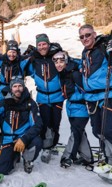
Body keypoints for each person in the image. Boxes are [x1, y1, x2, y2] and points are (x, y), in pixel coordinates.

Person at [78, 24, 112, 179]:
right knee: (98, 131)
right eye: (81, 36)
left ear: (94, 34)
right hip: (91, 98)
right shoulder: (85, 53)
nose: (85, 39)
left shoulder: (105, 49)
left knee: (109, 129)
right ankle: (110, 160)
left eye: (88, 35)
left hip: (109, 95)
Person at [0, 76, 43, 175]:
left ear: (23, 87)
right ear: (11, 88)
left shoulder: (30, 104)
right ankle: (15, 155)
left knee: (37, 141)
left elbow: (37, 125)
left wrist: (24, 139)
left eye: (20, 86)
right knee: (3, 170)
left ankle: (27, 159)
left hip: (23, 138)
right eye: (15, 86)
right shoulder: (4, 103)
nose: (17, 89)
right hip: (8, 139)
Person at [27, 33, 64, 163]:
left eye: (44, 44)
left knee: (56, 122)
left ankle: (53, 143)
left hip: (57, 96)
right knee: (45, 122)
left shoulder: (56, 57)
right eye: (39, 45)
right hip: (42, 97)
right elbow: (26, 70)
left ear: (48, 44)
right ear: (37, 46)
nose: (42, 47)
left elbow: (70, 66)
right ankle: (46, 146)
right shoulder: (34, 59)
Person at [53, 51, 93, 168]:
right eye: (56, 63)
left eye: (61, 62)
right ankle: (87, 157)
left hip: (81, 107)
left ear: (66, 61)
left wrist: (79, 100)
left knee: (76, 132)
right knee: (79, 132)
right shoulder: (64, 73)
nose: (59, 65)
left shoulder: (75, 74)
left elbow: (87, 90)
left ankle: (68, 157)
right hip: (71, 107)